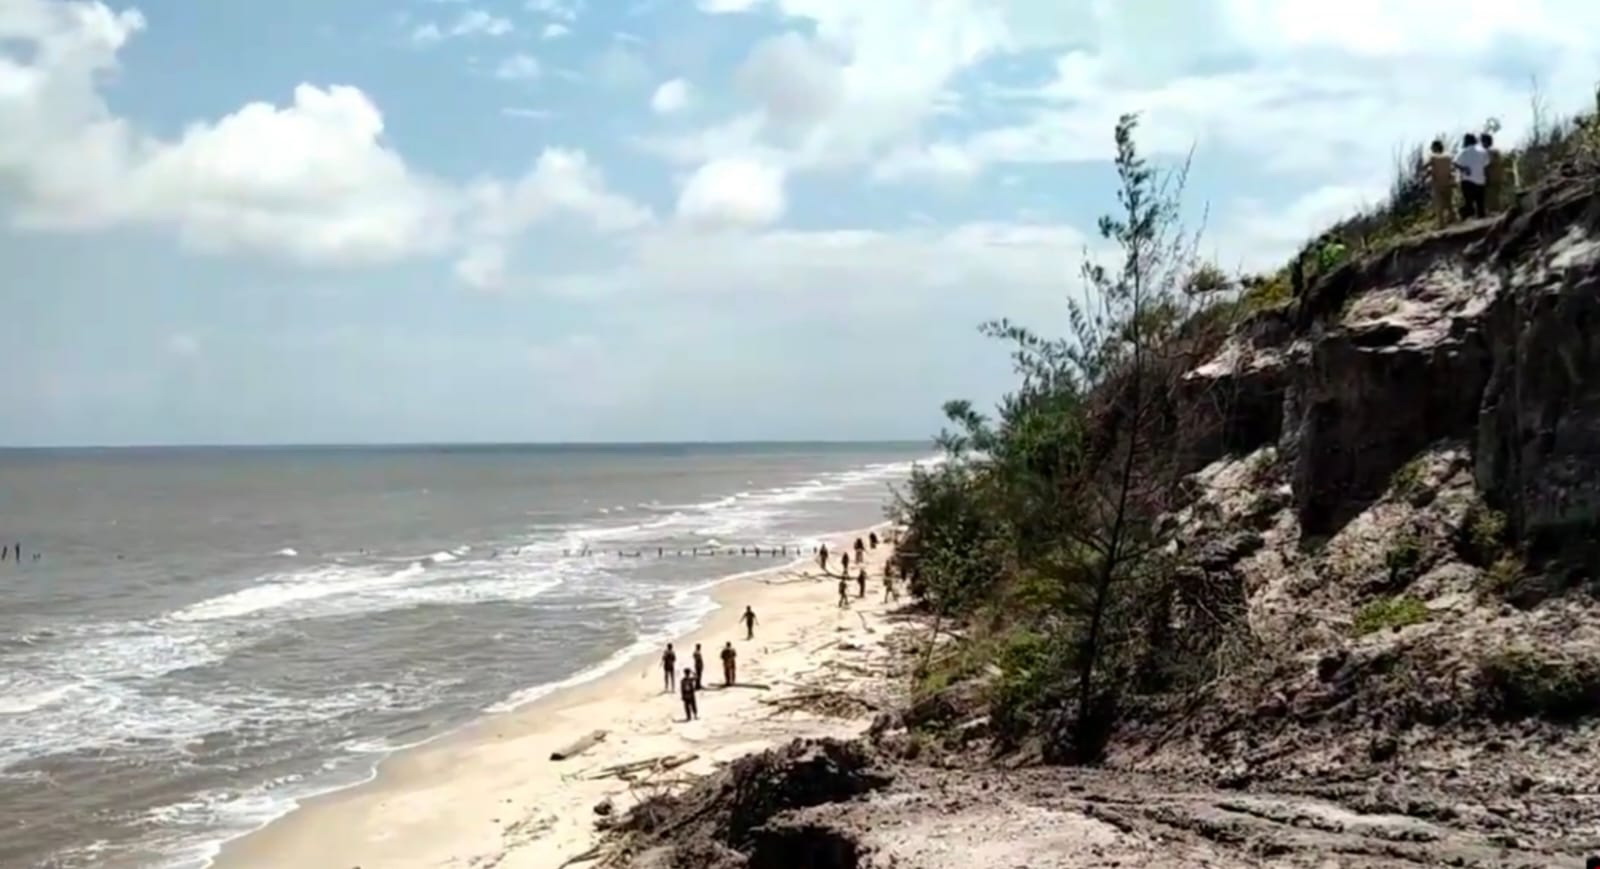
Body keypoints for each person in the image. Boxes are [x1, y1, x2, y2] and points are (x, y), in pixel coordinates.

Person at [1454, 133, 1489, 220]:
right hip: (1480, 180)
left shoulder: (1463, 152)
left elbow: (1455, 163)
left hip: (1468, 181)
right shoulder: (1483, 151)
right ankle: (1482, 220)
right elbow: (1486, 164)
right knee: (1480, 204)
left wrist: (1464, 169)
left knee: (1469, 203)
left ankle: (1464, 217)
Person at [1427, 138, 1455, 228]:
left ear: (1435, 148)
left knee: (1439, 206)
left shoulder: (1433, 157)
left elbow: (1427, 167)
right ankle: (1453, 221)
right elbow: (1451, 169)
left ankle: (1441, 225)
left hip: (1437, 184)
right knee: (1449, 204)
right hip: (1448, 183)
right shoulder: (1448, 156)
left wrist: (1426, 174)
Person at [1483, 132, 1509, 213]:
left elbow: (1488, 163)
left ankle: (1494, 213)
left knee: (1491, 199)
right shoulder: (1496, 151)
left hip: (1490, 178)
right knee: (1497, 196)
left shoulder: (1487, 152)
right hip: (1498, 176)